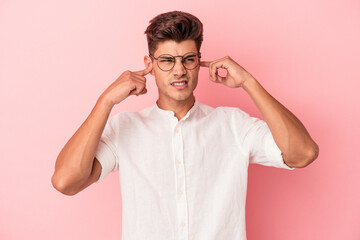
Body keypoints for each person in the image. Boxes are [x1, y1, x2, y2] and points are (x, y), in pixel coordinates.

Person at [52, 10, 319, 240]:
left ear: (198, 61)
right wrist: (106, 100)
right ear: (150, 65)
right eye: (167, 61)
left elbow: (303, 153)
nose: (179, 70)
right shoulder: (125, 128)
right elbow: (66, 182)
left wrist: (249, 82)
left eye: (188, 59)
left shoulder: (233, 125)